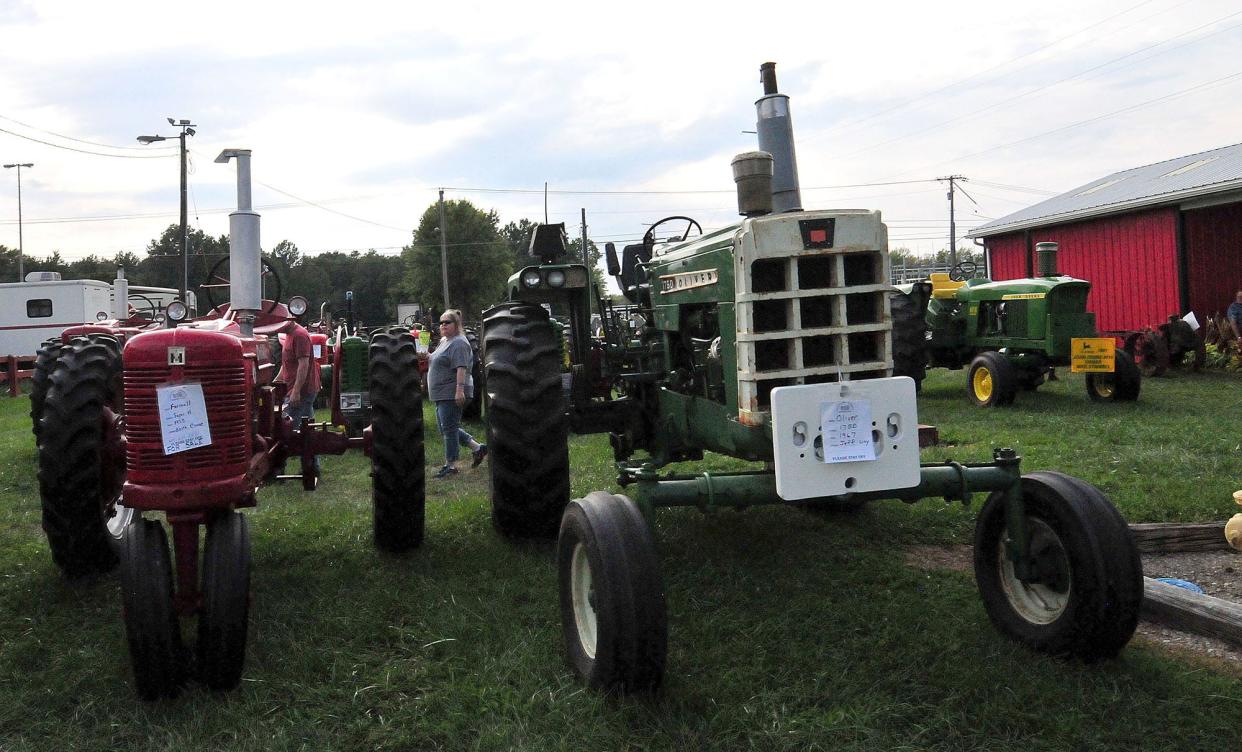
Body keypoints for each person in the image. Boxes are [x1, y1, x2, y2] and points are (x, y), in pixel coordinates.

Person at [423, 309, 486, 479]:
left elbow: (461, 368)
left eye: (447, 322)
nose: (443, 325)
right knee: (447, 429)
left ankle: (450, 465)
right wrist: (426, 355)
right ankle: (478, 448)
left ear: (456, 325)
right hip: (441, 393)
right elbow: (438, 360)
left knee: (449, 430)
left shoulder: (459, 343)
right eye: (441, 322)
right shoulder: (445, 340)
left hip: (452, 393)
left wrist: (459, 390)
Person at [275, 319, 322, 473]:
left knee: (286, 430)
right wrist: (276, 381)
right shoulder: (288, 335)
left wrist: (295, 391)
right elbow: (287, 362)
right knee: (306, 429)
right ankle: (313, 467)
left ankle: (277, 468)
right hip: (297, 389)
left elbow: (304, 365)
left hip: (302, 391)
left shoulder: (300, 335)